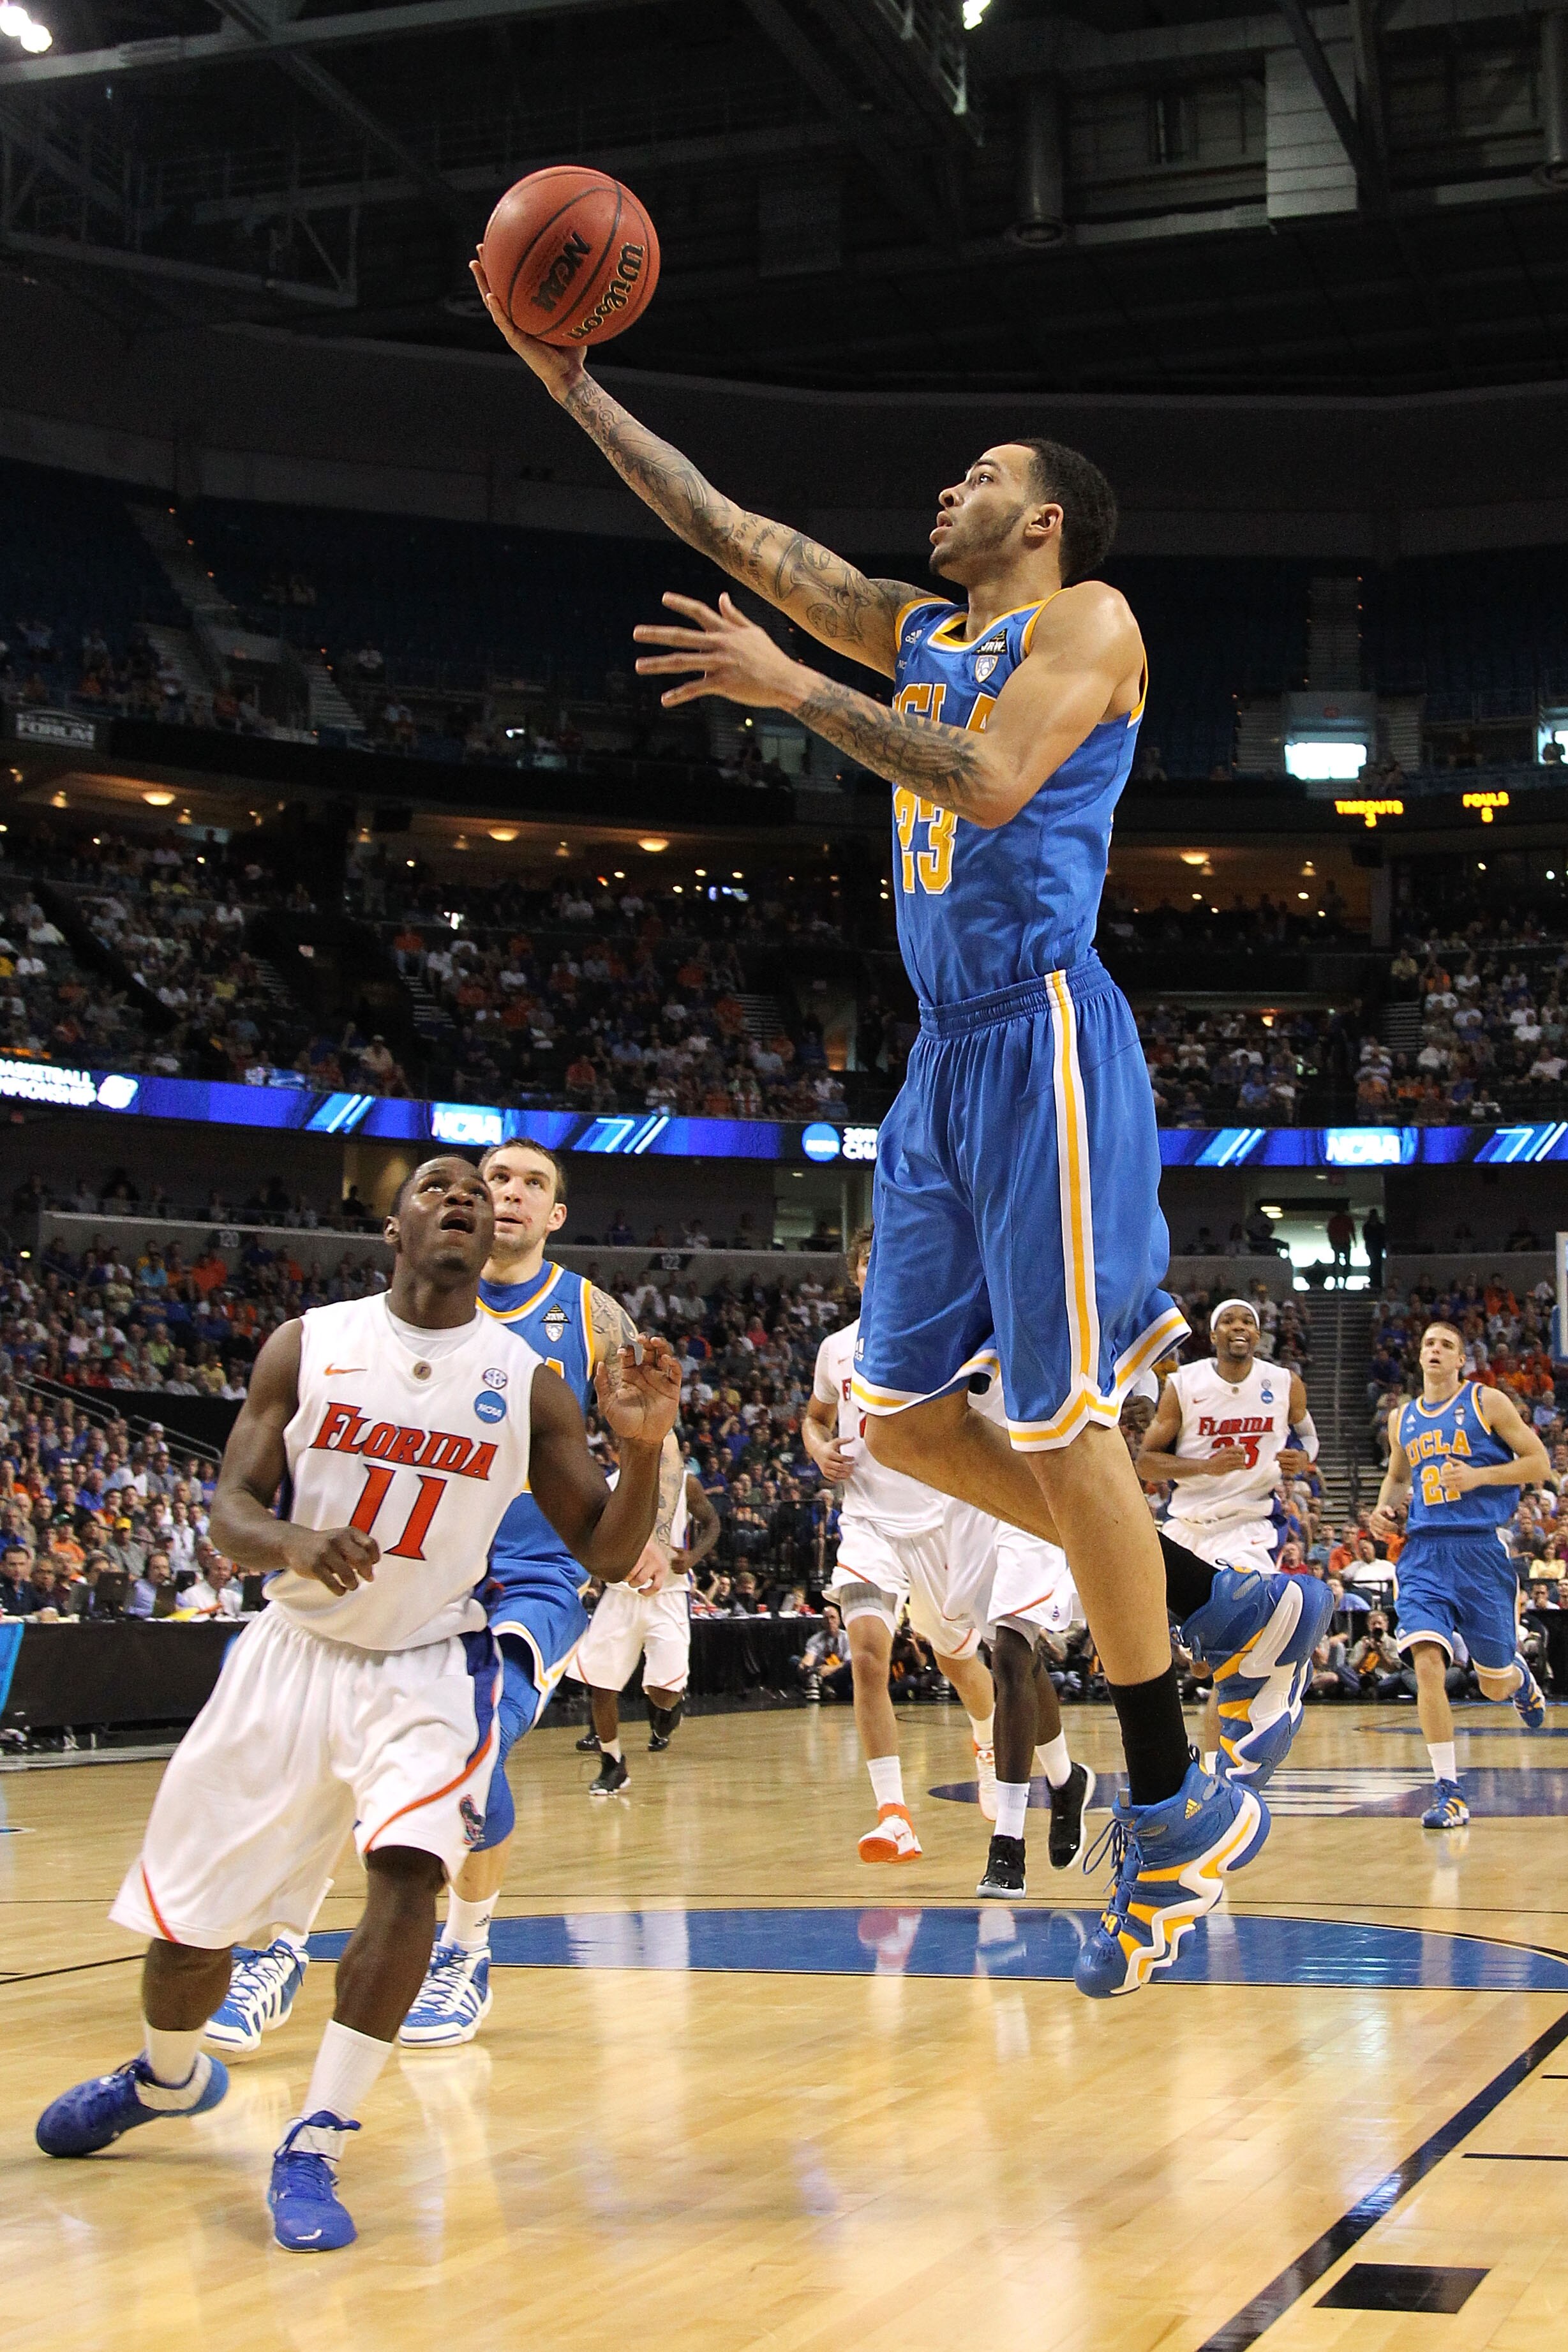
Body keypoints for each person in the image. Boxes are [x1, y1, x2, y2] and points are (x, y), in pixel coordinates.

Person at [475, 271, 1322, 1996]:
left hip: (1045, 1033)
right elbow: (738, 531)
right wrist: (569, 388)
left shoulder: (1091, 622)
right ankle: (1207, 1597)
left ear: (1049, 518)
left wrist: (791, 691)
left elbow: (994, 784)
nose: (948, 489)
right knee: (899, 1414)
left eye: (980, 473)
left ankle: (1176, 1794)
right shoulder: (922, 630)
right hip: (940, 1060)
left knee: (1064, 1419)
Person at [35, 1157, 680, 2254]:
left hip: (429, 1662)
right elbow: (230, 1512)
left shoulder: (527, 1383)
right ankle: (163, 2077)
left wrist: (644, 1446)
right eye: (437, 1186)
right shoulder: (310, 1343)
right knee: (189, 1930)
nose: (463, 1198)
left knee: (407, 1873)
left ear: (498, 1238)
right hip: (291, 1653)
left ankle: (318, 2136)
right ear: (393, 1227)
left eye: (477, 1193)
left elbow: (606, 1555)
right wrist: (293, 1541)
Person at [394, 1138, 685, 2042]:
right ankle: (284, 1942)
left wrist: (653, 1530)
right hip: (417, 1569)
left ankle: (464, 1950)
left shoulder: (590, 1311)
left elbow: (656, 1431)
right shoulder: (421, 1296)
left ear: (555, 1214)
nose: (510, 1193)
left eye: (532, 1184)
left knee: (475, 1735)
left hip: (536, 1571)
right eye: (496, 1179)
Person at [803, 1227, 999, 1862]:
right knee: (866, 1655)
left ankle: (986, 1739)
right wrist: (819, 1450)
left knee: (957, 1659)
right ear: (856, 1274)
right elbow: (814, 1417)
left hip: (942, 1520)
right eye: (868, 1259)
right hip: (869, 1522)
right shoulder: (835, 1349)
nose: (878, 1266)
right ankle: (893, 1815)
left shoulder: (942, 1334)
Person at [1137, 1300, 1330, 1778]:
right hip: (1187, 1527)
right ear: (1213, 1334)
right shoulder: (1184, 1385)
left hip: (1250, 1526)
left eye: (1246, 1321)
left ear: (1258, 1334)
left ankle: (1217, 1773)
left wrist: (1303, 1458)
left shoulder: (1284, 1383)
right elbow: (1146, 1462)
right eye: (1228, 1321)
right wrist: (1204, 1465)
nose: (1238, 1327)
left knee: (1235, 1649)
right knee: (1201, 1666)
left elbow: (1308, 1438)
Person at [1370, 1319, 1549, 1829]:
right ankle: (1448, 1790)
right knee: (1426, 1663)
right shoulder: (1401, 1418)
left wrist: (1478, 1476)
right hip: (1423, 1552)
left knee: (1492, 1685)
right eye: (1428, 1342)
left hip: (1479, 1550)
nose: (1434, 1349)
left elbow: (1538, 1463)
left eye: (1445, 1344)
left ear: (1459, 1359)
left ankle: (1516, 1678)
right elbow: (1397, 1475)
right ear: (1419, 1355)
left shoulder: (1486, 1402)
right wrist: (1383, 1509)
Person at [571, 1448, 720, 1786]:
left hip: (668, 1595)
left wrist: (694, 1556)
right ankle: (612, 1763)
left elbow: (712, 1522)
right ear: (618, 1452)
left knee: (662, 1692)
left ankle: (672, 1704)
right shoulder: (606, 1487)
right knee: (601, 1686)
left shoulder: (685, 1483)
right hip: (620, 1595)